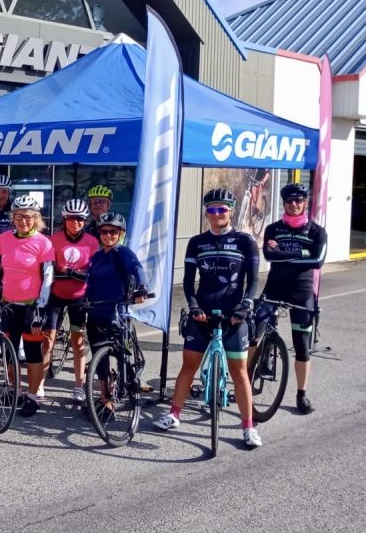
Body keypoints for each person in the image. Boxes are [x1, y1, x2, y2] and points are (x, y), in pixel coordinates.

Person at [154, 189, 262, 449]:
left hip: (234, 315)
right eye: (211, 210)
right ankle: (174, 414)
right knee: (188, 366)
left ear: (231, 211)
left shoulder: (245, 241)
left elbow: (253, 280)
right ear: (206, 213)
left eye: (221, 209)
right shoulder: (197, 242)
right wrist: (193, 306)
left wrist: (245, 306)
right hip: (201, 314)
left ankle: (248, 427)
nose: (216, 214)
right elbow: (188, 281)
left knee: (239, 372)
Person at [258, 182, 327, 413]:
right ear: (284, 203)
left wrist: (283, 253)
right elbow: (269, 256)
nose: (294, 204)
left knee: (302, 347)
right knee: (254, 333)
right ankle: (248, 377)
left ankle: (301, 395)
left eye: (298, 200)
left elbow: (317, 261)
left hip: (302, 293)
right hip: (274, 288)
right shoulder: (273, 229)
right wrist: (302, 253)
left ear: (305, 202)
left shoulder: (317, 232)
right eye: (289, 201)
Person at [0, 195, 54, 416]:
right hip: (8, 304)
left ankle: (32, 397)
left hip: (31, 306)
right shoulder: (4, 238)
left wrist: (40, 308)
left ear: (36, 218)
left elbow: (48, 278)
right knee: (9, 352)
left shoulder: (43, 242)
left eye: (28, 217)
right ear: (12, 217)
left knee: (32, 353)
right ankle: (16, 391)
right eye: (19, 216)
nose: (24, 221)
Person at [82, 212, 148, 416]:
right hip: (96, 311)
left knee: (121, 356)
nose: (108, 235)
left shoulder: (123, 252)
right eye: (104, 231)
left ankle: (128, 386)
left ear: (121, 233)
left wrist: (142, 287)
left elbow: (136, 268)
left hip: (117, 312)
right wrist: (83, 301)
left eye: (113, 232)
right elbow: (89, 283)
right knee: (99, 360)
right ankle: (105, 399)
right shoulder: (96, 257)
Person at [44, 199, 100, 403]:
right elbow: (48, 267)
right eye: (71, 218)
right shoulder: (54, 239)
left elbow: (94, 270)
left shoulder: (92, 241)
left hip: (79, 298)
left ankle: (78, 386)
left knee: (78, 341)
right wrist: (66, 272)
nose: (75, 222)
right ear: (64, 219)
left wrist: (78, 274)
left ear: (85, 221)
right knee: (48, 340)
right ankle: (39, 385)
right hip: (56, 296)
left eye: (79, 219)